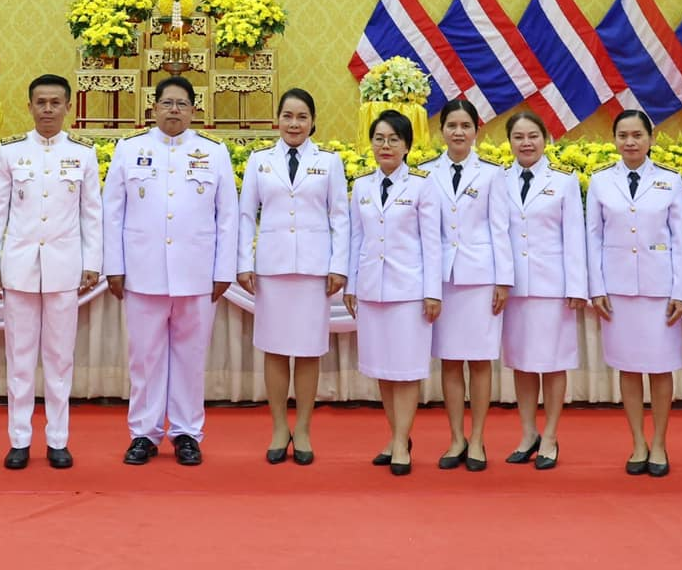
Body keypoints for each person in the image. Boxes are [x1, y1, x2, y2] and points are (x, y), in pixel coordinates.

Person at [103, 75, 237, 466]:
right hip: (143, 272)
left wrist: (223, 269)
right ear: (153, 107)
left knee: (191, 357)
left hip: (197, 273)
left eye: (181, 104)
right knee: (143, 357)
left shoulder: (214, 152)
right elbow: (112, 212)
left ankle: (186, 433)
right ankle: (143, 433)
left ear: (194, 110)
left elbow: (227, 216)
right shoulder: (130, 150)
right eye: (167, 103)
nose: (174, 110)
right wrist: (114, 266)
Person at [0, 75, 103, 470]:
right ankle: (19, 439)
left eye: (55, 103)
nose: (48, 109)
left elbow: (92, 214)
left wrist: (92, 262)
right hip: (18, 268)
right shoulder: (11, 152)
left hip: (65, 268)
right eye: (40, 102)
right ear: (29, 106)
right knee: (19, 357)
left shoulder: (83, 153)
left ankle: (58, 439)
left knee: (59, 358)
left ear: (69, 107)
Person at [235, 88, 347, 466]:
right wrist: (243, 262)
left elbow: (340, 217)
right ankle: (279, 426)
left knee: (310, 350)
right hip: (273, 268)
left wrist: (339, 265)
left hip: (315, 270)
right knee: (276, 348)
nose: (294, 123)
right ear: (277, 120)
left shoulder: (329, 162)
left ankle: (303, 430)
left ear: (313, 121)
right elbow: (246, 214)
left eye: (302, 117)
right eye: (288, 116)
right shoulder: (260, 160)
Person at [585, 109, 682, 477]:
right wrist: (596, 288)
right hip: (618, 291)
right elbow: (592, 238)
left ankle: (659, 443)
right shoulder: (600, 182)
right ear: (614, 140)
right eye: (623, 135)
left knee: (660, 370)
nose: (630, 142)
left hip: (661, 290)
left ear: (650, 138)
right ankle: (638, 443)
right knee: (628, 369)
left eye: (637, 135)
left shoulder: (670, 182)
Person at [344, 110, 443, 477]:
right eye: (379, 139)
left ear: (406, 145)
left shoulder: (422, 185)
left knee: (406, 370)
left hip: (409, 291)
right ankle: (395, 434)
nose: (386, 146)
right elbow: (357, 239)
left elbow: (433, 244)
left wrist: (432, 292)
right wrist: (352, 285)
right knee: (382, 369)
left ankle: (402, 441)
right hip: (372, 290)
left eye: (394, 139)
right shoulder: (362, 185)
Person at [423, 99, 512, 471]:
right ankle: (456, 437)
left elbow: (500, 229)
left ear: (477, 130)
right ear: (441, 130)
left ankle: (477, 439)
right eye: (451, 125)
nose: (458, 132)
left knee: (478, 361)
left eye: (465, 125)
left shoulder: (493, 174)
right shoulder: (425, 173)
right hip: (442, 278)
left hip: (480, 278)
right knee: (449, 360)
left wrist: (503, 280)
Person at [498, 109, 586, 470]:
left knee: (551, 364)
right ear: (510, 142)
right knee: (521, 363)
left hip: (553, 286)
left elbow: (574, 238)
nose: (526, 143)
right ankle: (527, 432)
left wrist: (577, 286)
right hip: (514, 286)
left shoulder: (563, 180)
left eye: (533, 136)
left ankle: (550, 435)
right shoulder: (498, 180)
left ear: (546, 139)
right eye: (518, 137)